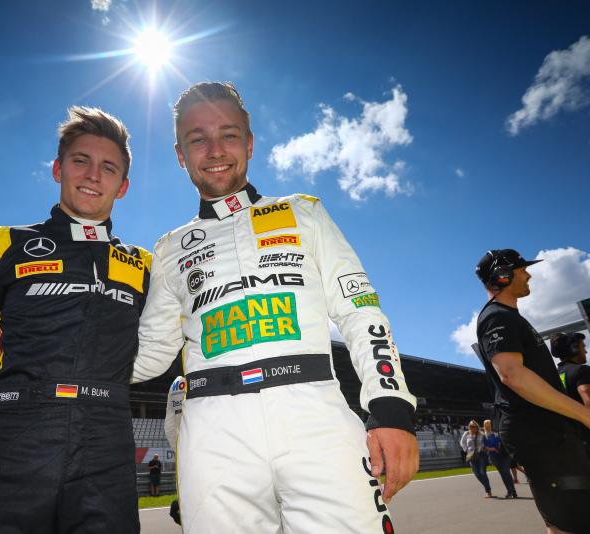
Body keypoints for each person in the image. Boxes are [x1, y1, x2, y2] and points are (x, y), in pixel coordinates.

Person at [132, 81, 418, 533]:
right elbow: (149, 352)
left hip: (315, 414)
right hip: (212, 432)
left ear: (249, 143)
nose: (215, 150)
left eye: (228, 135)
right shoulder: (169, 249)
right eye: (197, 139)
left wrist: (392, 406)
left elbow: (360, 310)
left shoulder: (305, 212)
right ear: (180, 155)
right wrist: (46, 357)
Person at [0, 106, 150, 534]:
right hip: (17, 433)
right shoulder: (0, 243)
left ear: (123, 186)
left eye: (108, 168)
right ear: (58, 169)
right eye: (81, 161)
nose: (93, 175)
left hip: (107, 436)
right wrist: (7, 409)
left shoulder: (145, 264)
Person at [475, 249, 590, 534]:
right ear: (503, 276)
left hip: (545, 431)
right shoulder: (497, 317)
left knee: (567, 520)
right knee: (572, 522)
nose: (528, 275)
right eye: (522, 269)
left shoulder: (509, 317)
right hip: (538, 432)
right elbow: (512, 375)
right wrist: (584, 414)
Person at [552, 332, 590, 454]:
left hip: (574, 439)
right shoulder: (582, 370)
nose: (586, 351)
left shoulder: (556, 375)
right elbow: (587, 398)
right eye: (583, 347)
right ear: (574, 349)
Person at [164, 376, 185, 526]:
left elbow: (169, 426)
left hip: (182, 448)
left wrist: (178, 448)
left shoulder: (175, 383)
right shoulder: (202, 371)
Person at [483, 419, 517, 498]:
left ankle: (513, 491)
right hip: (494, 456)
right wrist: (491, 449)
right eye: (486, 424)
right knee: (503, 474)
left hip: (504, 455)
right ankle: (509, 491)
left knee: (506, 472)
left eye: (489, 424)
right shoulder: (484, 436)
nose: (488, 426)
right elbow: (483, 447)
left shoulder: (497, 433)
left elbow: (504, 441)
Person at [460, 421, 493, 498]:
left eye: (473, 426)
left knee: (482, 473)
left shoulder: (481, 434)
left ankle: (488, 491)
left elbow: (485, 442)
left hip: (481, 454)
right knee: (477, 474)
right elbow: (462, 442)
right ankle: (487, 487)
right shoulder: (466, 433)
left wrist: (484, 447)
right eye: (470, 426)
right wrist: (466, 449)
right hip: (471, 455)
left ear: (477, 427)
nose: (472, 428)